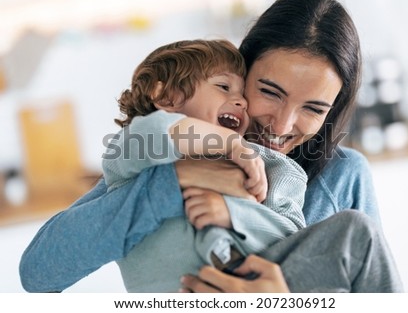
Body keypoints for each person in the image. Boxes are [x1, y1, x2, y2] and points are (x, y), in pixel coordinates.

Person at [19, 0, 402, 293]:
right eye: (270, 91)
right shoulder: (160, 157)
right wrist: (179, 179)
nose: (283, 123)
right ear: (240, 72)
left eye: (313, 108)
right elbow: (39, 272)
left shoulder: (341, 177)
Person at [102, 39, 307, 292]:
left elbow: (296, 239)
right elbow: (159, 130)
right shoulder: (132, 149)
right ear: (168, 97)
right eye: (224, 86)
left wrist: (233, 214)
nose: (242, 102)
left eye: (242, 94)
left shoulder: (270, 166)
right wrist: (231, 143)